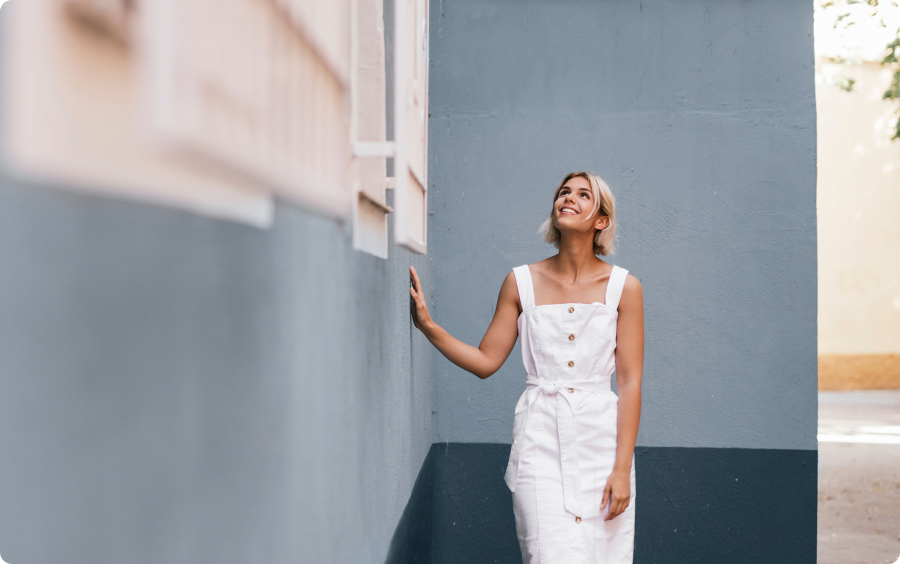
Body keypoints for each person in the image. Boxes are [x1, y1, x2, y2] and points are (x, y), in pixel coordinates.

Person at [408, 171, 643, 563]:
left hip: (602, 445)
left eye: (584, 195)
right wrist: (428, 327)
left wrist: (622, 469)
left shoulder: (625, 287)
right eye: (563, 192)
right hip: (540, 442)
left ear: (601, 220)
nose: (568, 198)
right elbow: (486, 362)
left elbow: (631, 382)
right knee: (545, 554)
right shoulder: (520, 281)